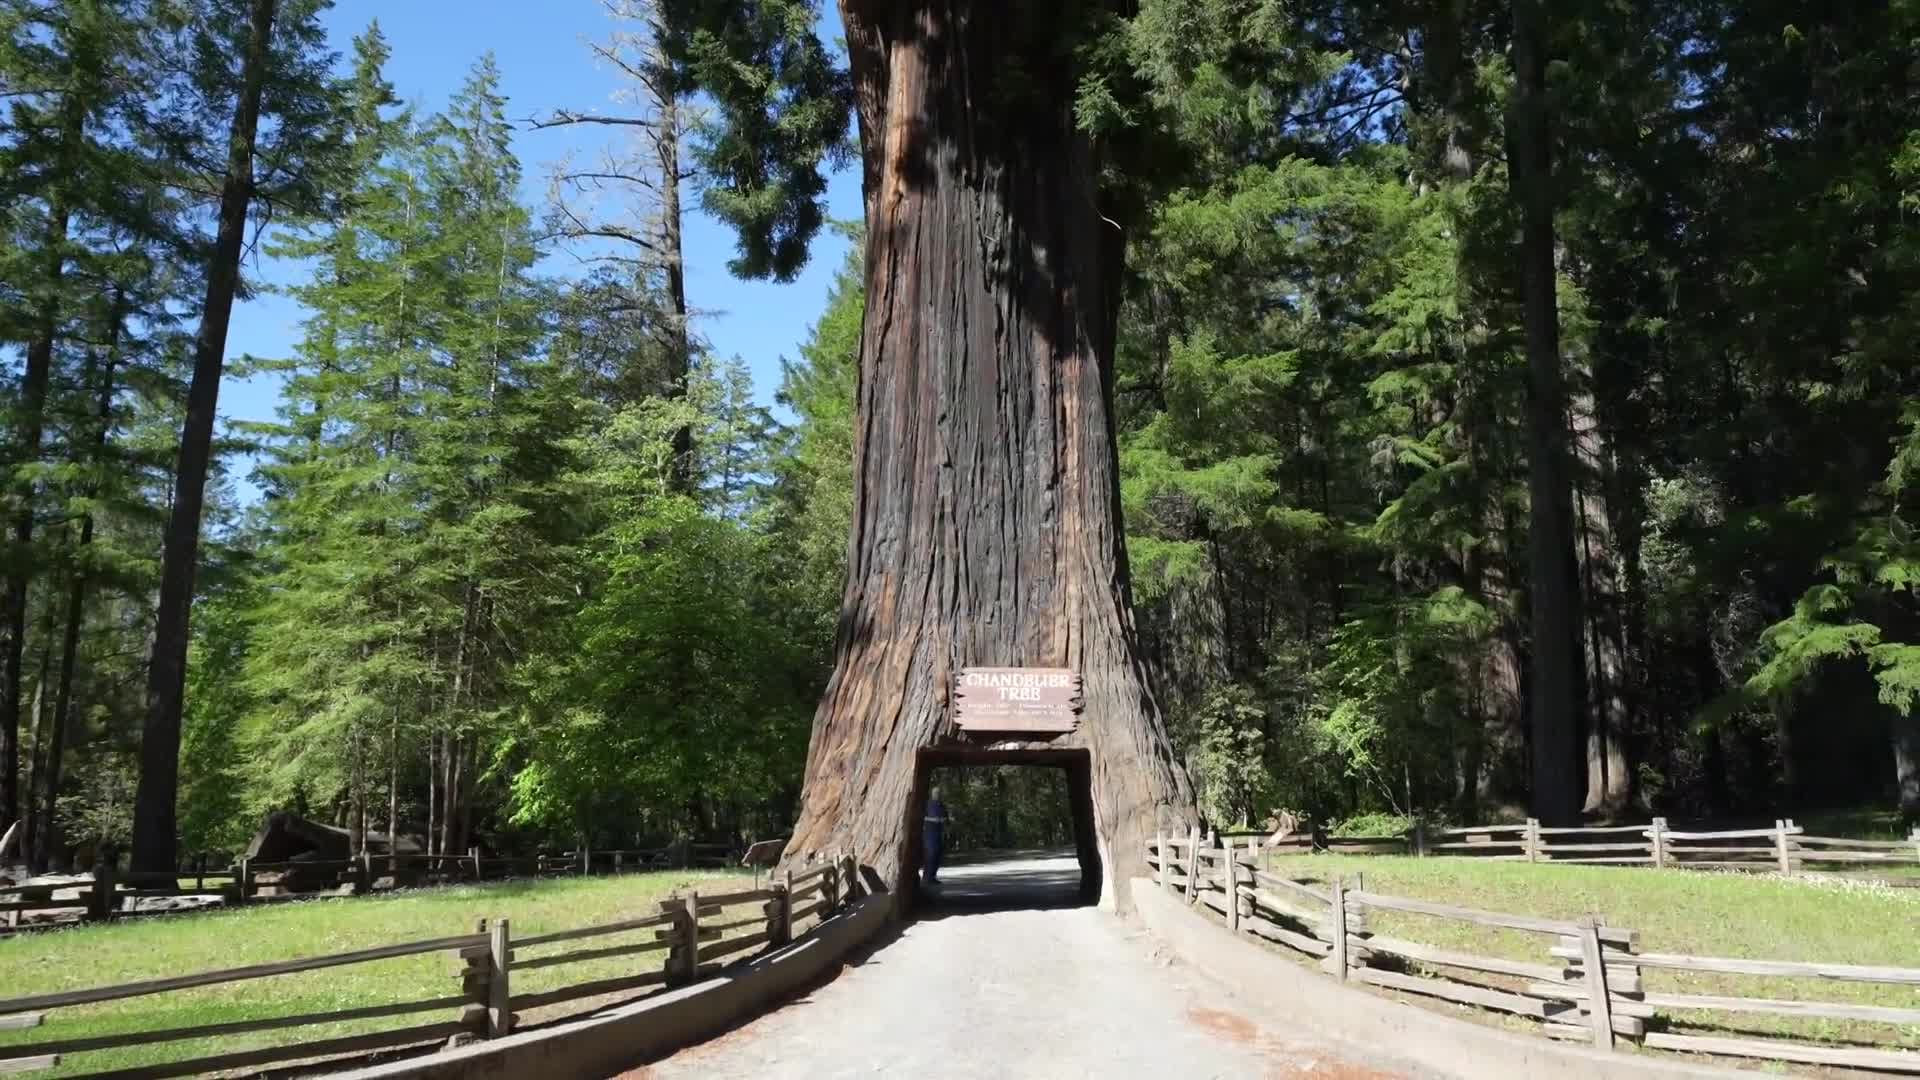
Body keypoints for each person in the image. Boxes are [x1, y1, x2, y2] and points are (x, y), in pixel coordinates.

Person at [922, 786, 950, 886]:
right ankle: (927, 877)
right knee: (931, 854)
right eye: (936, 793)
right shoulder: (927, 805)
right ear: (932, 794)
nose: (938, 794)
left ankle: (932, 876)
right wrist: (934, 820)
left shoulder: (942, 805)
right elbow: (922, 818)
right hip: (930, 833)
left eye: (939, 793)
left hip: (939, 832)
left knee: (938, 855)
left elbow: (946, 818)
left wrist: (945, 825)